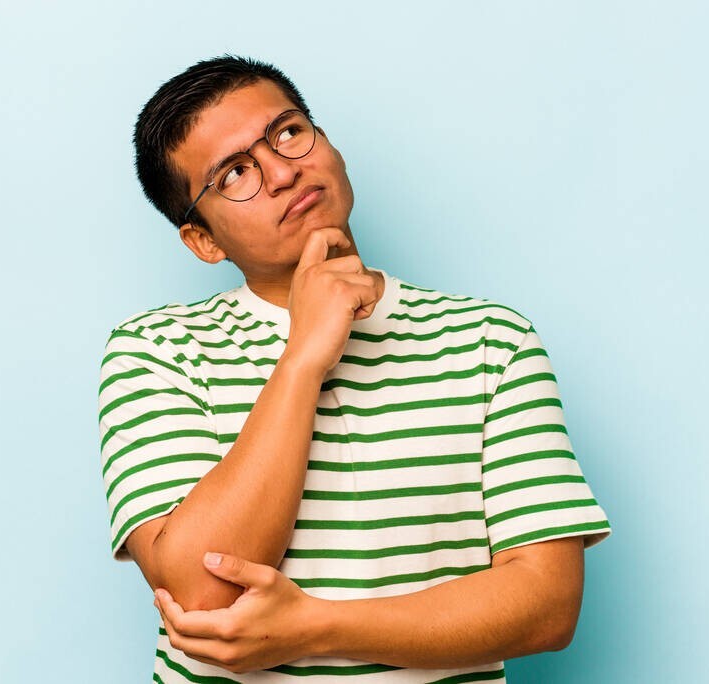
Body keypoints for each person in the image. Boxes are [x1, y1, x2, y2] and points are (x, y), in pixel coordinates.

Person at [98, 55, 612, 681]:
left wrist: (316, 626)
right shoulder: (156, 351)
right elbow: (202, 594)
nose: (282, 172)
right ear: (203, 240)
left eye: (288, 132)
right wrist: (303, 358)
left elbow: (548, 606)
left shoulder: (491, 341)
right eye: (235, 173)